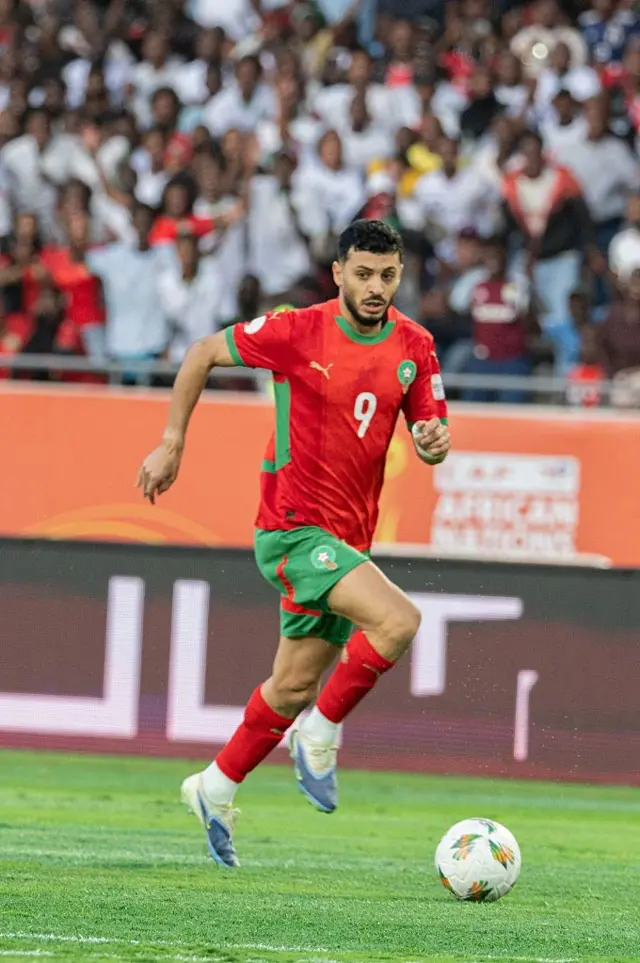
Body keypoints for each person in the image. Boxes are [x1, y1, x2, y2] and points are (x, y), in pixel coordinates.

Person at [136, 219, 450, 867]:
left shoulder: (415, 345)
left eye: (387, 275)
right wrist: (172, 443)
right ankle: (324, 730)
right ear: (337, 272)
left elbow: (429, 427)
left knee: (291, 685)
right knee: (398, 620)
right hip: (292, 528)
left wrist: (433, 441)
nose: (375, 286)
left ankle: (216, 785)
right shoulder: (296, 330)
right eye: (362, 273)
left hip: (346, 537)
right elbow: (200, 352)